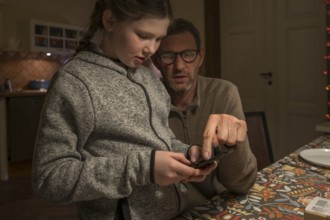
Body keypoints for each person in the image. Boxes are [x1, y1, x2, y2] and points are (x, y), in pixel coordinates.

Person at [31, 2, 217, 220]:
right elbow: (49, 179)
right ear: (110, 21)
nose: (151, 49)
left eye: (158, 39)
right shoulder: (75, 82)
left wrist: (187, 153)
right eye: (143, 35)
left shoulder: (150, 80)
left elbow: (160, 141)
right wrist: (142, 168)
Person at [151, 18, 258, 205]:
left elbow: (242, 184)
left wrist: (234, 145)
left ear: (200, 56)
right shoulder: (146, 100)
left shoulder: (224, 93)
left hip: (217, 205)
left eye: (188, 54)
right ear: (156, 61)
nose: (180, 66)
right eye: (168, 56)